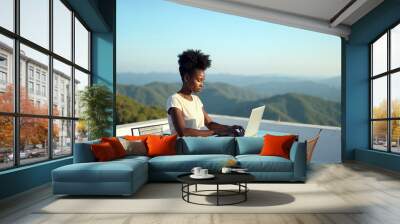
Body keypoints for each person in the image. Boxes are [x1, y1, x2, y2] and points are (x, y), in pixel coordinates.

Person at [166, 49, 244, 137]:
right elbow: (183, 132)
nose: (202, 84)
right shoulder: (175, 100)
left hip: (198, 145)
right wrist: (215, 132)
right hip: (182, 148)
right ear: (187, 78)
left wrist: (229, 128)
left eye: (203, 81)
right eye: (199, 80)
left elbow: (209, 123)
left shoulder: (196, 100)